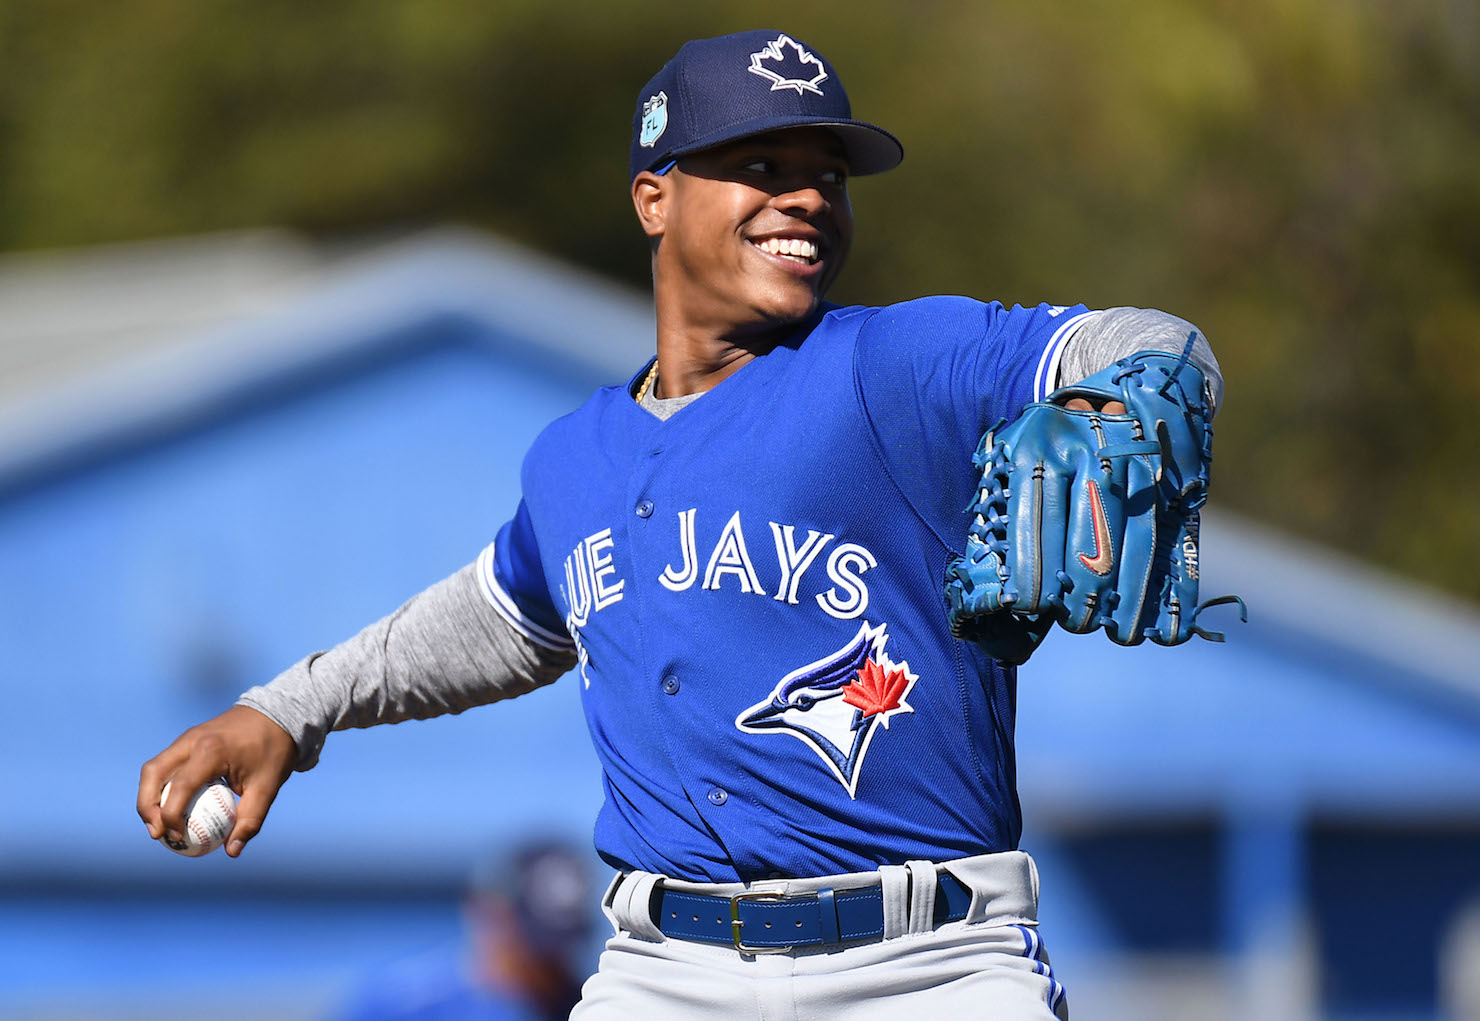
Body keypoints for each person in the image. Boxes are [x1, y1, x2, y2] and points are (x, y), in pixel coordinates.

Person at [139, 29, 1224, 1019]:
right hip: (666, 969)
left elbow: (1150, 342)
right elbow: (497, 613)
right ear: (654, 197)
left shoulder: (888, 365)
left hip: (925, 964)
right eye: (761, 168)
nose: (805, 198)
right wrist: (289, 707)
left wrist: (1110, 397)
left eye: (826, 178)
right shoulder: (574, 459)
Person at [332, 839, 594, 1021]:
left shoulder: (588, 1005)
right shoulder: (402, 1004)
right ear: (490, 912)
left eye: (562, 943)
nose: (550, 958)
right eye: (537, 940)